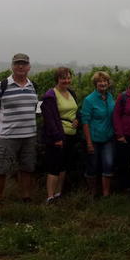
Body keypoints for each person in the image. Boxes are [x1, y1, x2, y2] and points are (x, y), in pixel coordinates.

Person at [0, 53, 38, 204]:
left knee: (27, 168)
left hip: (29, 135)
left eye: (23, 63)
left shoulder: (33, 85)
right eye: (17, 63)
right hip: (7, 136)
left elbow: (34, 108)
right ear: (12, 66)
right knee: (1, 169)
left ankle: (26, 197)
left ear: (29, 67)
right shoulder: (0, 86)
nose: (20, 66)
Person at [41, 67, 80, 204]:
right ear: (57, 79)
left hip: (70, 135)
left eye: (68, 77)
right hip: (57, 136)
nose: (66, 80)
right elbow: (49, 119)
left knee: (64, 165)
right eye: (63, 78)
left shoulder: (71, 93)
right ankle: (50, 196)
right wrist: (57, 138)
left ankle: (59, 193)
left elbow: (75, 111)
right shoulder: (50, 95)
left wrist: (77, 120)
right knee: (54, 166)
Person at [81, 71, 116, 197]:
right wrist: (89, 142)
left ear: (108, 83)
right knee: (92, 166)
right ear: (95, 84)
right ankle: (92, 192)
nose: (102, 83)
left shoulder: (110, 97)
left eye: (105, 81)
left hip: (108, 138)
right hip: (94, 139)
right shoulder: (89, 100)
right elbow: (85, 122)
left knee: (108, 164)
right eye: (99, 81)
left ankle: (106, 193)